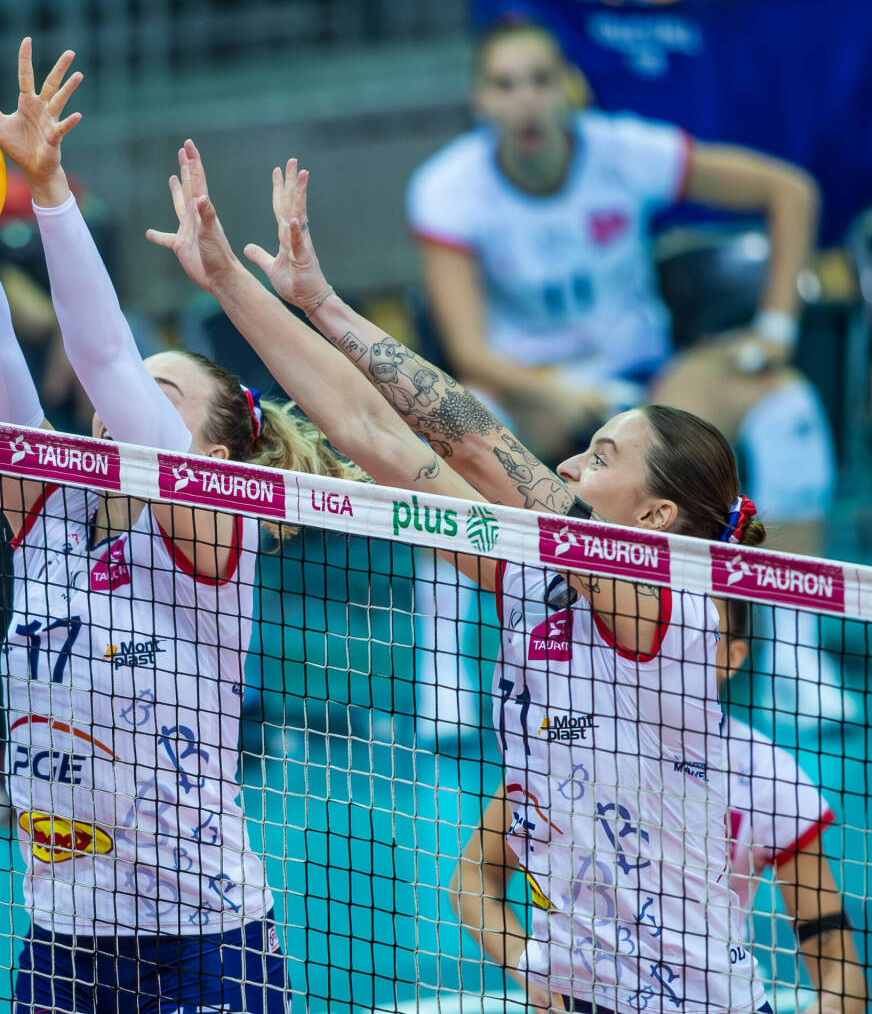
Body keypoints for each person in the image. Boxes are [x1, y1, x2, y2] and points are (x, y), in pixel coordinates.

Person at [152, 140, 776, 1011]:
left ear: (656, 517)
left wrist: (329, 306)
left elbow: (477, 442)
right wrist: (244, 285)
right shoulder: (536, 582)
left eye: (599, 457)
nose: (566, 462)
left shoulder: (675, 613)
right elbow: (378, 435)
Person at [0, 31, 363, 1013]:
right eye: (133, 393)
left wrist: (49, 190)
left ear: (218, 456)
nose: (120, 406)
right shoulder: (45, 517)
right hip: (64, 940)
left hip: (205, 939)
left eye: (164, 393)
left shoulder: (206, 532)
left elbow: (103, 358)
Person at [406, 17, 846, 743]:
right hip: (534, 390)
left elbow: (790, 190)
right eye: (505, 85)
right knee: (461, 420)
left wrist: (774, 328)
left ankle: (796, 656)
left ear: (569, 89)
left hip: (650, 387)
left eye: (542, 81)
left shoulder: (627, 150)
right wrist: (558, 392)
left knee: (788, 402)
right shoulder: (446, 190)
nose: (527, 102)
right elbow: (468, 350)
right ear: (481, 101)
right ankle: (442, 675)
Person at [451, 597, 868, 1014]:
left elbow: (835, 960)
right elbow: (473, 876)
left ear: (731, 657)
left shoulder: (768, 773)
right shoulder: (569, 746)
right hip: (594, 999)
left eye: (695, 628)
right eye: (658, 618)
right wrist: (533, 973)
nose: (669, 636)